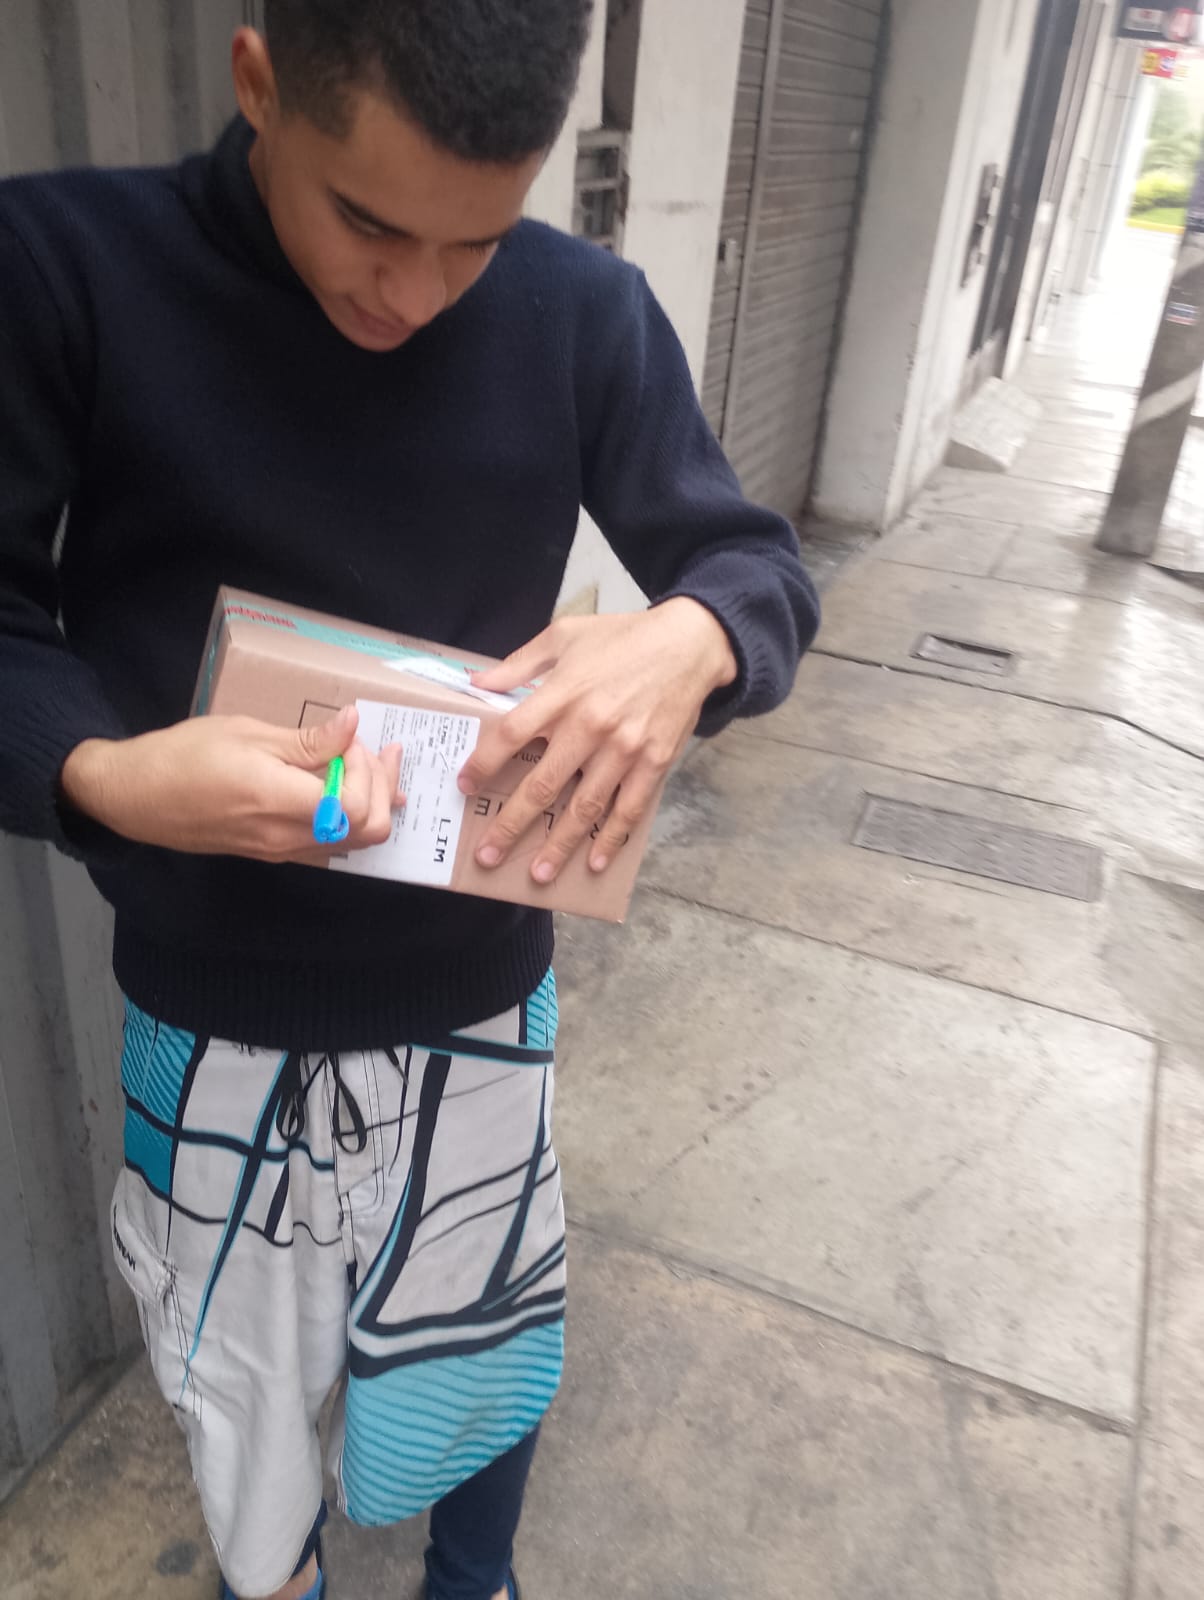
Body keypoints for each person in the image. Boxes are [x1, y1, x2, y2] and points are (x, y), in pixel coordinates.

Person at [0, 3, 819, 1597]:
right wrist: (104, 774)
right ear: (259, 83)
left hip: (482, 993)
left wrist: (692, 638)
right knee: (234, 1379)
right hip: (210, 1007)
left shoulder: (584, 314)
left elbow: (753, 562)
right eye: (370, 223)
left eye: (476, 242)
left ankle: (473, 1580)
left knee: (485, 1335)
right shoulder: (64, 271)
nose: (416, 293)